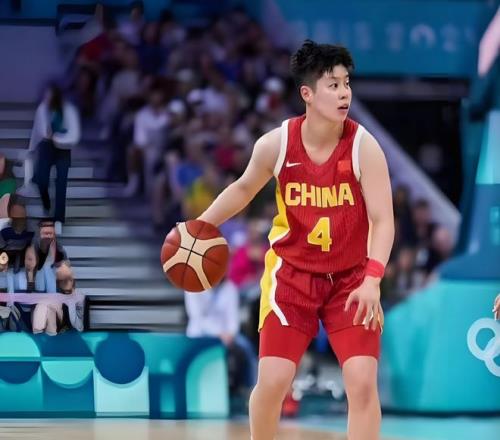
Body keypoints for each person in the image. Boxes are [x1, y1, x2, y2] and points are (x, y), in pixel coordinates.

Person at [192, 40, 394, 440]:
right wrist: (200, 225)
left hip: (351, 279)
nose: (344, 93)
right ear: (307, 93)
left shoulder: (364, 147)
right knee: (272, 383)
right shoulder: (277, 144)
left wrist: (373, 280)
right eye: (333, 85)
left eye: (347, 83)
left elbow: (383, 220)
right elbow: (243, 188)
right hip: (292, 276)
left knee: (362, 383)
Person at [28, 84, 81, 233]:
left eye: (50, 96)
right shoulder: (42, 108)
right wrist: (31, 148)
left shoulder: (69, 110)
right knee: (41, 180)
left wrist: (57, 138)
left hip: (63, 149)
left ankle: (58, 219)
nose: (48, 99)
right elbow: (37, 129)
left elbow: (74, 135)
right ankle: (46, 206)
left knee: (61, 183)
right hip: (46, 146)